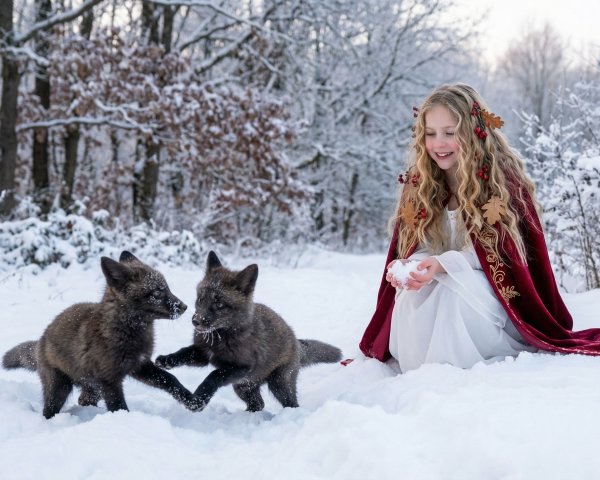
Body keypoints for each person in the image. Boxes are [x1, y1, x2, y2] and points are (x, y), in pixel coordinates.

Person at [359, 83, 600, 372]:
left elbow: (497, 253)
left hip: (490, 292)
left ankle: (452, 364)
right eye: (431, 134)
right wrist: (411, 265)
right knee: (413, 298)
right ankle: (424, 368)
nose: (439, 144)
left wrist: (442, 264)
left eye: (450, 133)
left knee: (452, 295)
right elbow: (416, 241)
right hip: (437, 278)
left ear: (473, 131)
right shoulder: (421, 183)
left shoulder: (499, 180)